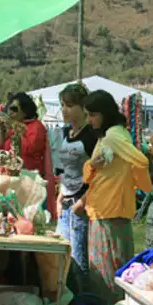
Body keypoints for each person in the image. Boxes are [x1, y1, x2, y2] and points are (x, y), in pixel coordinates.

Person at [83, 90, 152, 304]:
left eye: (92, 114)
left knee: (108, 273)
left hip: (109, 210)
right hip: (105, 208)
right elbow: (93, 170)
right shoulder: (113, 134)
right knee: (112, 270)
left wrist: (140, 185)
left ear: (103, 113)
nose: (89, 120)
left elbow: (141, 162)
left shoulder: (113, 136)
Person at [55, 83, 98, 293]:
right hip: (65, 203)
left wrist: (83, 201)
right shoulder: (68, 133)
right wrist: (59, 194)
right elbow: (66, 168)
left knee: (79, 262)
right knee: (61, 258)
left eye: (69, 105)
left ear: (82, 108)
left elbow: (100, 175)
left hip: (80, 207)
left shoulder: (91, 135)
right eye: (62, 104)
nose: (64, 109)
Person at [0, 92, 56, 219]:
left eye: (14, 109)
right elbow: (2, 147)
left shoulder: (37, 127)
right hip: (14, 181)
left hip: (30, 182)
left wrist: (15, 128)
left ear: (25, 111)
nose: (10, 112)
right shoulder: (10, 128)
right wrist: (2, 130)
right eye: (9, 108)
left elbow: (30, 148)